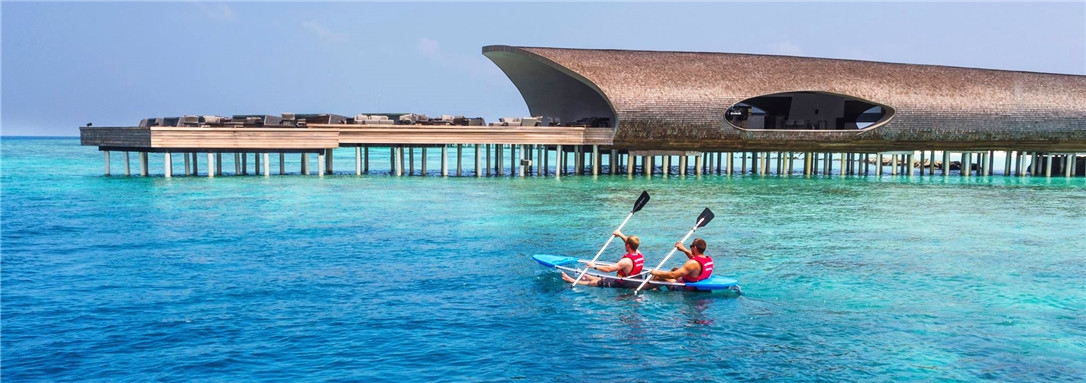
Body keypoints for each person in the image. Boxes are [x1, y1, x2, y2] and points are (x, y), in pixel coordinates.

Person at [561, 230, 645, 288]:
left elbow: (609, 269)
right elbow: (629, 242)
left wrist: (594, 266)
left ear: (628, 245)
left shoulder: (626, 261)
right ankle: (586, 276)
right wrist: (620, 234)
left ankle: (571, 280)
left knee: (594, 283)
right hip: (632, 280)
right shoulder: (639, 255)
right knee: (603, 279)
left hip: (624, 283)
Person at [649, 238, 713, 288]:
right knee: (675, 269)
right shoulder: (708, 259)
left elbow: (673, 275)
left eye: (691, 246)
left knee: (658, 276)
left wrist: (656, 272)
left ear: (695, 248)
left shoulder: (692, 263)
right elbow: (694, 258)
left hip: (685, 288)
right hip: (696, 281)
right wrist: (683, 249)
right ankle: (655, 286)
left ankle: (646, 288)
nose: (690, 248)